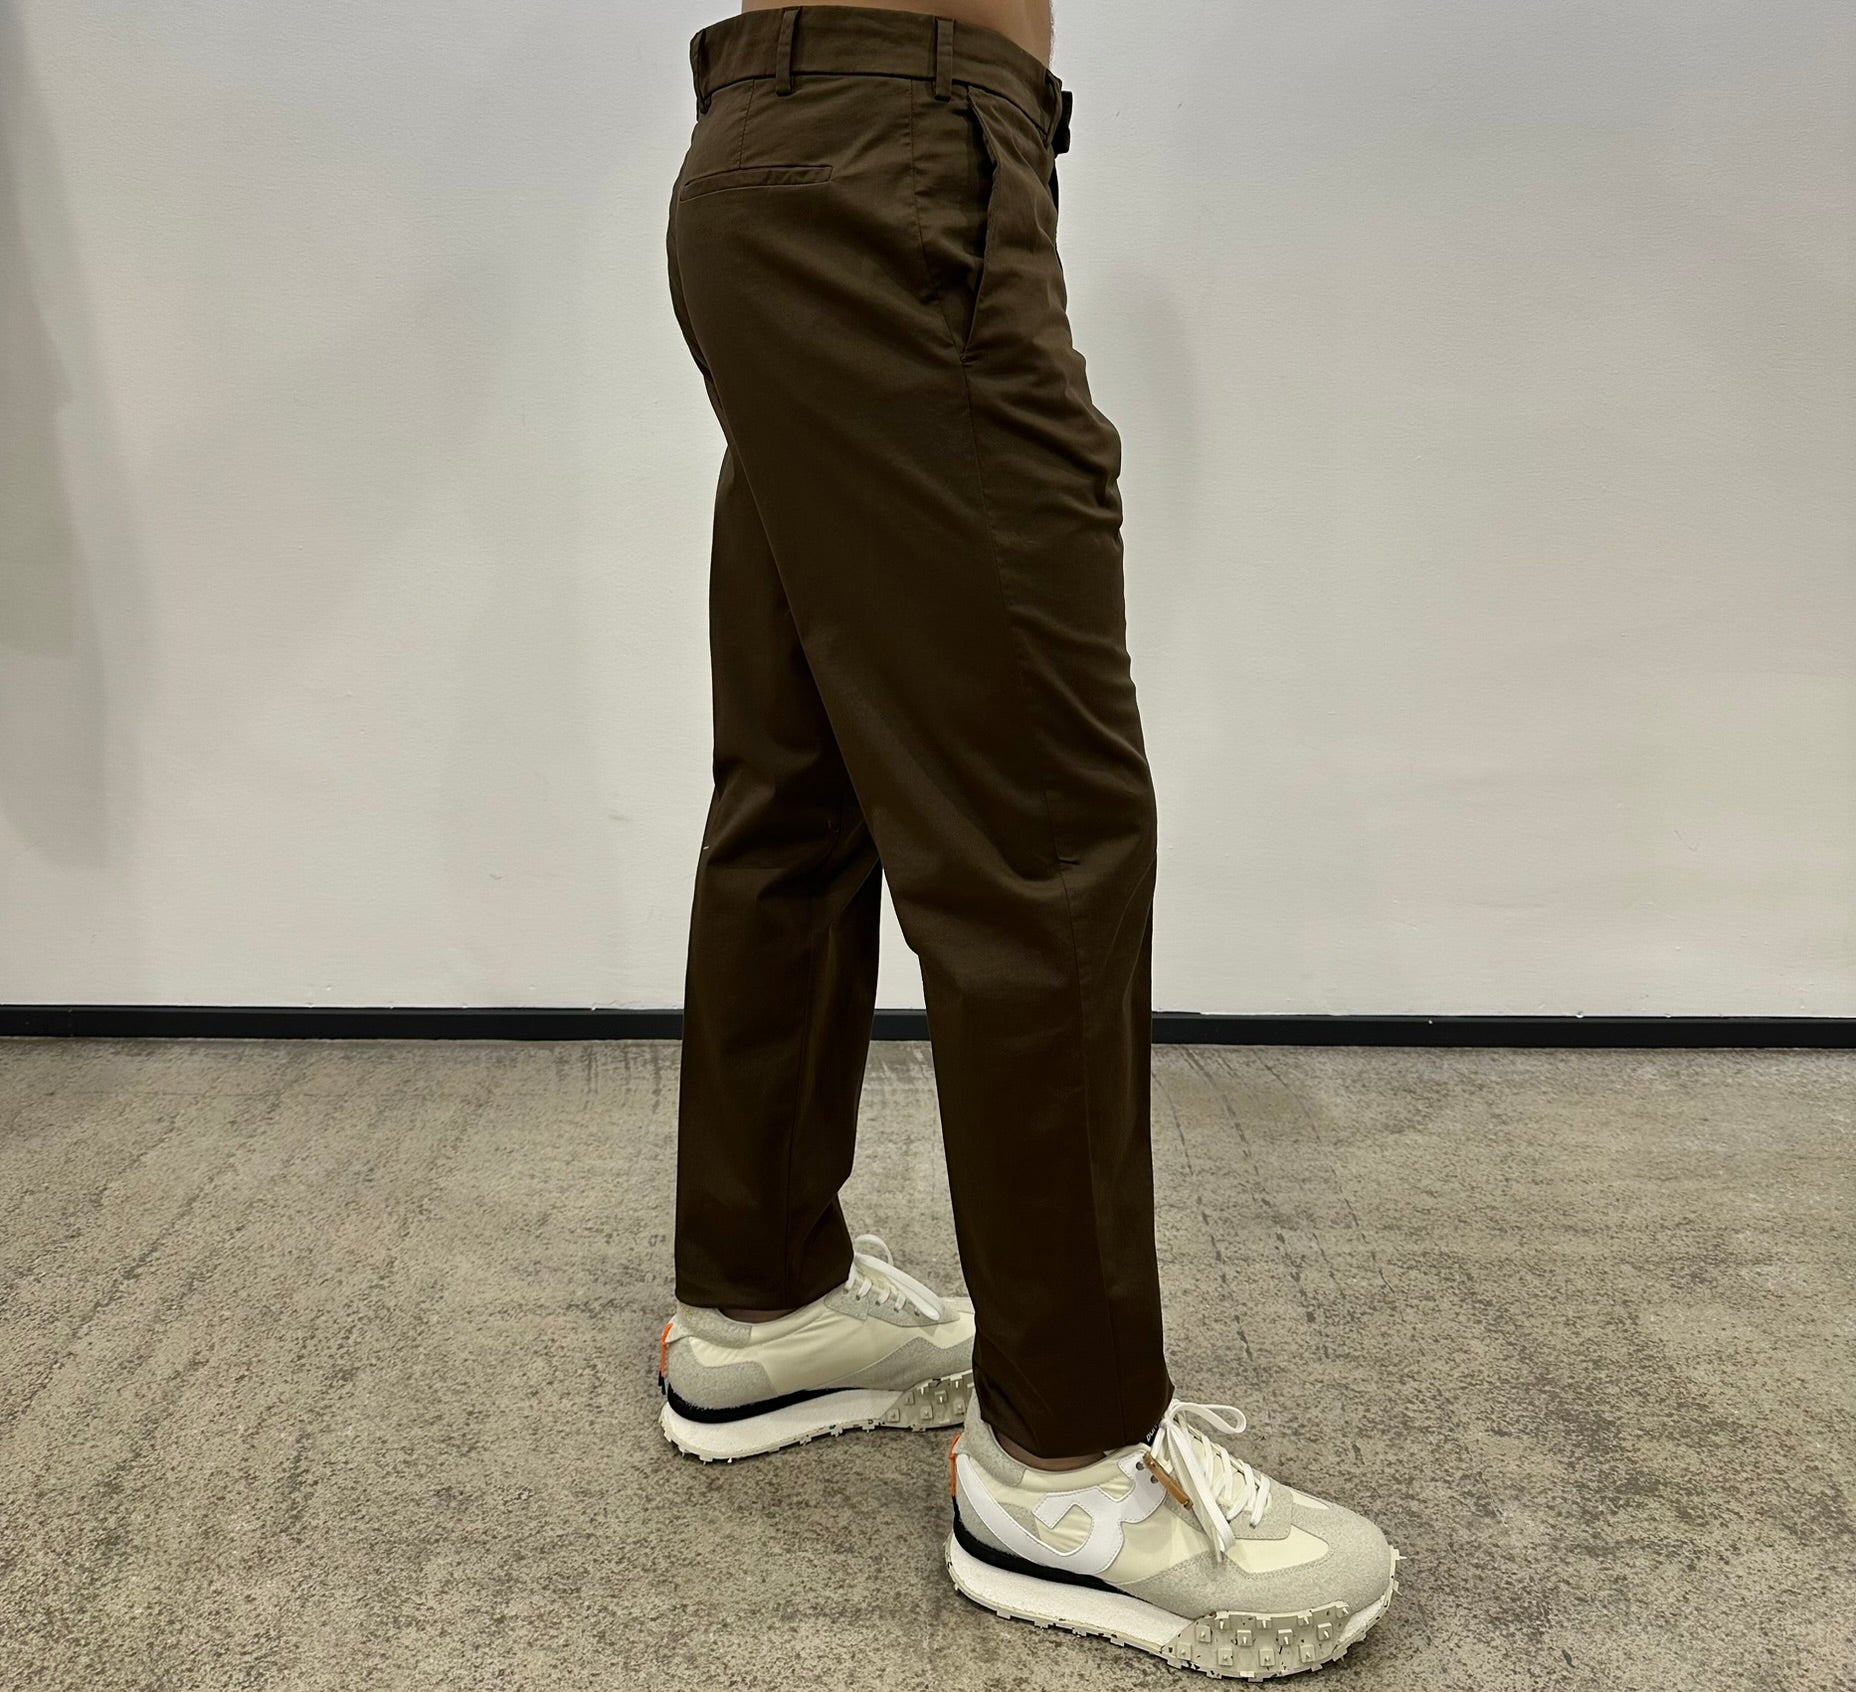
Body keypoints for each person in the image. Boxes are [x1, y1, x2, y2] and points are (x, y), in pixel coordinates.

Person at [655, 4, 1399, 1676]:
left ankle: (760, 1306)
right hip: (902, 162)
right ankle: (1067, 1467)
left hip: (773, 147)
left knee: (806, 778)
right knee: (1044, 832)